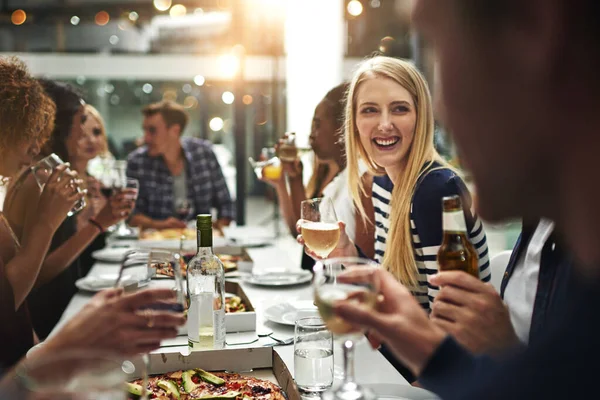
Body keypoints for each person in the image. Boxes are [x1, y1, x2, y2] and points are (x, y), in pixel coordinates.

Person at [332, 0, 600, 398]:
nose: (441, 106)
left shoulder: (435, 188)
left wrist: (488, 352)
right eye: (369, 111)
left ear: (534, 30)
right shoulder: (565, 249)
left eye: (443, 45)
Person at [0, 57, 184, 370]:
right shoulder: (38, 181)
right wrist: (63, 221)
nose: (34, 148)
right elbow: (18, 288)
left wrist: (98, 221)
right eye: (81, 126)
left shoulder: (45, 179)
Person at [303, 56, 490, 311]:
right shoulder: (382, 182)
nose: (384, 124)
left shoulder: (435, 190)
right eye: (370, 110)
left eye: (400, 109)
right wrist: (348, 253)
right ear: (355, 123)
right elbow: (393, 290)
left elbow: (448, 325)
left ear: (420, 117)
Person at [3, 79, 135, 339]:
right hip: (49, 321)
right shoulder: (39, 179)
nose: (84, 131)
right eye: (80, 120)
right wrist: (98, 224)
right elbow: (36, 276)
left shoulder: (51, 174)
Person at [262, 83, 375, 267]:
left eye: (317, 125)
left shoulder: (364, 181)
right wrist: (292, 178)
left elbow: (366, 266)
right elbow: (304, 230)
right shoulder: (335, 176)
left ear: (343, 127)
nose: (311, 136)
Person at [127, 101, 234, 230]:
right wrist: (160, 226)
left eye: (152, 131)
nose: (146, 138)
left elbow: (226, 206)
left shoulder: (203, 153)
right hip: (156, 244)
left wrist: (215, 231)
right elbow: (131, 215)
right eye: (145, 130)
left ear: (175, 131)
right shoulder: (137, 162)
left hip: (199, 242)